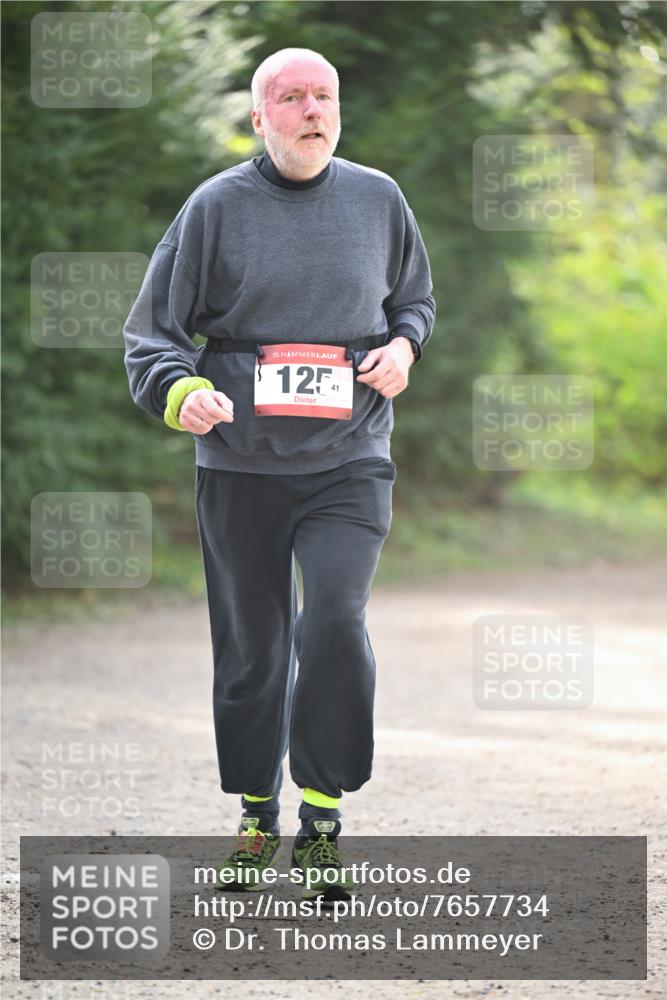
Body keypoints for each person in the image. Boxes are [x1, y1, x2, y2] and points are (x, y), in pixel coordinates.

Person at [123, 46, 435, 901]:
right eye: (289, 96)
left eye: (323, 94)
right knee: (253, 649)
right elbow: (151, 333)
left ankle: (323, 816)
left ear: (338, 109)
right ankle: (257, 814)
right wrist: (181, 389)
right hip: (240, 466)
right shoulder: (217, 206)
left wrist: (403, 347)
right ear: (259, 117)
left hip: (349, 460)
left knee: (333, 620)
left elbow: (412, 301)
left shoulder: (378, 199)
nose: (310, 108)